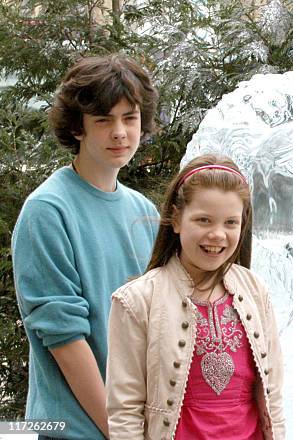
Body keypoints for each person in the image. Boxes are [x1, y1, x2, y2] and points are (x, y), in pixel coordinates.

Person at [11, 54, 159, 439]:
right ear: (78, 128)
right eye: (103, 120)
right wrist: (119, 431)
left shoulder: (144, 212)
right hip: (76, 431)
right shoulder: (47, 211)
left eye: (130, 118)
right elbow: (66, 340)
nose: (120, 132)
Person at [106, 154, 285, 440]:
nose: (217, 234)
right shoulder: (137, 301)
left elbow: (272, 396)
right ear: (176, 219)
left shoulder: (255, 291)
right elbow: (124, 412)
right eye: (203, 220)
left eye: (230, 222)